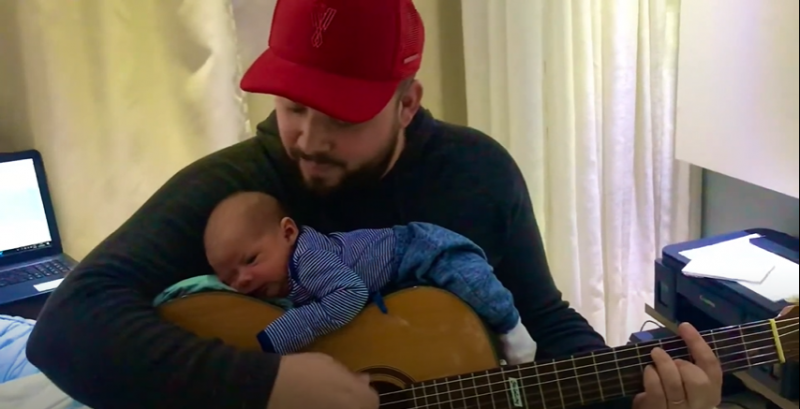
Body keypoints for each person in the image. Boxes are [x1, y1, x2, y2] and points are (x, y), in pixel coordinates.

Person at [26, 0, 724, 408]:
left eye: (342, 115)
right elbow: (65, 329)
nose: (308, 137)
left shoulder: (478, 172)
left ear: (408, 102)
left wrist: (640, 391)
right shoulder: (238, 189)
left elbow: (541, 319)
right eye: (294, 105)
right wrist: (268, 382)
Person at [203, 191, 538, 363]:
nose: (243, 280)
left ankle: (512, 328)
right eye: (229, 277)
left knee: (473, 283)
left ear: (288, 232)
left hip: (417, 247)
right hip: (404, 280)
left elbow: (349, 294)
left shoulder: (306, 258)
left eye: (250, 260)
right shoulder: (279, 281)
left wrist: (283, 331)